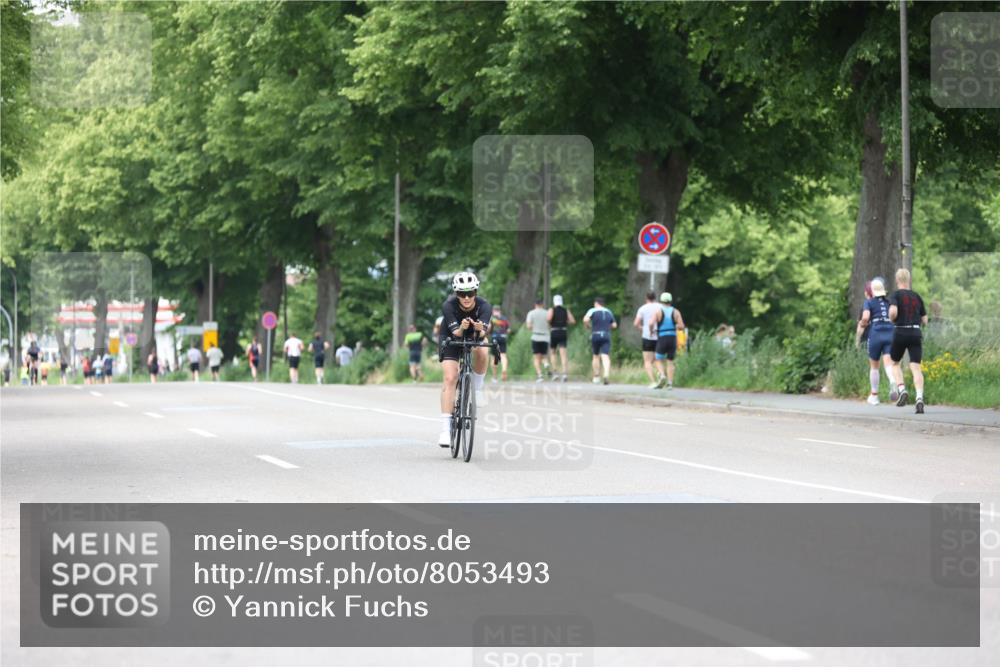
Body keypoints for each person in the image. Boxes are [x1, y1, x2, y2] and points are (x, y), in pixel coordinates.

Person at [437, 271, 491, 447]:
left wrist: (479, 329)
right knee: (450, 378)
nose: (466, 297)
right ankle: (446, 430)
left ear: (476, 292)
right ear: (456, 294)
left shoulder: (484, 306)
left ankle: (477, 388)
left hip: (474, 333)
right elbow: (456, 333)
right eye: (461, 294)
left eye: (470, 293)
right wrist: (462, 327)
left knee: (483, 351)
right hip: (452, 335)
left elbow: (483, 333)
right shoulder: (449, 305)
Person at [888, 268, 928, 414]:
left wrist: (892, 319)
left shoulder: (896, 295)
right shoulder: (917, 296)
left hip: (900, 331)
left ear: (897, 280)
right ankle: (919, 398)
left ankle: (902, 390)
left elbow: (893, 312)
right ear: (909, 280)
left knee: (895, 363)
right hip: (916, 332)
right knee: (916, 367)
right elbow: (925, 320)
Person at [855, 277, 895, 405]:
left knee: (874, 366)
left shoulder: (869, 302)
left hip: (876, 332)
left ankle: (874, 396)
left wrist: (862, 323)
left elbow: (866, 317)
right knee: (888, 362)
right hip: (890, 331)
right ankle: (893, 381)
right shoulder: (889, 302)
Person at [650, 292, 686, 389]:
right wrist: (675, 326)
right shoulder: (676, 312)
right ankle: (670, 384)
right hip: (672, 338)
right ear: (670, 301)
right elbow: (682, 326)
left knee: (657, 359)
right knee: (670, 361)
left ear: (661, 301)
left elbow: (650, 323)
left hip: (662, 337)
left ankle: (662, 375)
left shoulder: (658, 311)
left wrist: (651, 331)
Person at [583, 297, 617, 385]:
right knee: (605, 356)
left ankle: (597, 376)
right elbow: (614, 325)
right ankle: (606, 374)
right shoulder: (609, 311)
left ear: (596, 303)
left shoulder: (592, 310)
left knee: (596, 356)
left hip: (596, 334)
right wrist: (607, 327)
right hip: (606, 335)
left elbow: (585, 320)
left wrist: (588, 326)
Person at [634, 292, 661, 387]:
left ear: (646, 298)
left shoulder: (642, 308)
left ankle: (653, 382)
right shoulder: (660, 307)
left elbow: (636, 323)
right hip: (659, 336)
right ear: (655, 298)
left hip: (647, 336)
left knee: (647, 361)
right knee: (657, 359)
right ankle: (662, 375)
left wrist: (642, 328)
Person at [548, 295, 575, 382]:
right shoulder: (565, 310)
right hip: (563, 332)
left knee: (553, 352)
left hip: (554, 332)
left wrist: (551, 323)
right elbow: (573, 321)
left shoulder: (552, 310)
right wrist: (565, 321)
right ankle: (565, 373)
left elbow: (548, 319)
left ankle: (555, 372)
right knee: (563, 353)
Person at [525, 298, 551, 382]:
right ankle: (546, 363)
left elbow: (528, 326)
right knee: (544, 355)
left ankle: (540, 375)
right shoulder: (547, 313)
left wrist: (534, 327)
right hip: (545, 337)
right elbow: (550, 324)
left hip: (536, 336)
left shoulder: (531, 313)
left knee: (536, 358)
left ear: (535, 304)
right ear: (542, 304)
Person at [489, 305, 511, 383]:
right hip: (503, 338)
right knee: (503, 355)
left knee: (494, 357)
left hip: (494, 338)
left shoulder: (491, 319)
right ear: (500, 311)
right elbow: (508, 330)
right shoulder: (504, 319)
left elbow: (489, 329)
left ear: (493, 311)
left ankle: (494, 377)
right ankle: (504, 370)